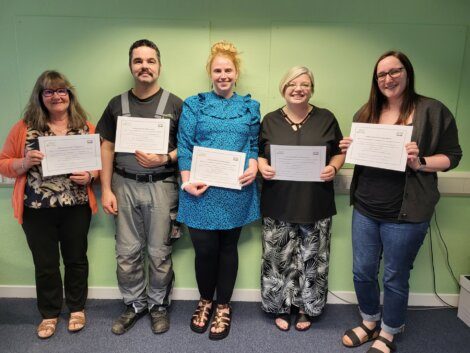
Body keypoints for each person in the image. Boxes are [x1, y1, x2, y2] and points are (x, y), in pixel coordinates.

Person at [340, 51, 462, 353]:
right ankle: (370, 320)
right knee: (363, 271)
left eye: (395, 71)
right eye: (381, 74)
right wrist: (350, 149)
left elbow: (453, 157)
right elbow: (362, 159)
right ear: (375, 80)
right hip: (367, 208)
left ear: (407, 73)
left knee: (395, 275)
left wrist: (419, 161)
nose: (388, 79)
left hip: (406, 212)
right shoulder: (365, 113)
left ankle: (390, 329)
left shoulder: (432, 111)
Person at [0, 70, 99, 338]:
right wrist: (23, 163)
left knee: (76, 260)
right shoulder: (24, 128)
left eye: (61, 90)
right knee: (45, 263)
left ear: (70, 94)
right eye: (49, 91)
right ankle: (50, 313)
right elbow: (4, 162)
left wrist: (90, 176)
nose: (57, 96)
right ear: (40, 97)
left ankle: (77, 308)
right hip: (36, 211)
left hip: (76, 208)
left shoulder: (85, 127)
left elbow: (98, 166)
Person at [96, 39, 183, 335]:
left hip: (162, 187)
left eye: (150, 61)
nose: (144, 66)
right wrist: (106, 189)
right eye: (138, 61)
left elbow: (188, 147)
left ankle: (158, 305)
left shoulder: (174, 104)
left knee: (159, 252)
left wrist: (165, 157)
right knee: (127, 251)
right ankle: (134, 303)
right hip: (124, 185)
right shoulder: (116, 104)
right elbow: (106, 147)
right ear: (131, 65)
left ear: (159, 65)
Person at [177, 40, 260, 340]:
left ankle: (223, 306)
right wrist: (187, 181)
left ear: (236, 73)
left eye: (228, 70)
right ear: (210, 74)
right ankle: (205, 301)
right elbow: (184, 147)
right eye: (217, 70)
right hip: (199, 190)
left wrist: (253, 165)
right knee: (205, 250)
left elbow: (253, 145)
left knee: (228, 249)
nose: (223, 75)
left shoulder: (251, 107)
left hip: (235, 191)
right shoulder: (194, 104)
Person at [258, 66, 344, 331]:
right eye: (293, 84)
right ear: (283, 88)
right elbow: (260, 153)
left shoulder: (326, 118)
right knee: (278, 259)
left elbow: (339, 152)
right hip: (278, 201)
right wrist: (262, 166)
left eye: (305, 84)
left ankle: (307, 309)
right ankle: (281, 307)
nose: (298, 89)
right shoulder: (270, 120)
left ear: (311, 88)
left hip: (315, 202)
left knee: (313, 260)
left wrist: (335, 167)